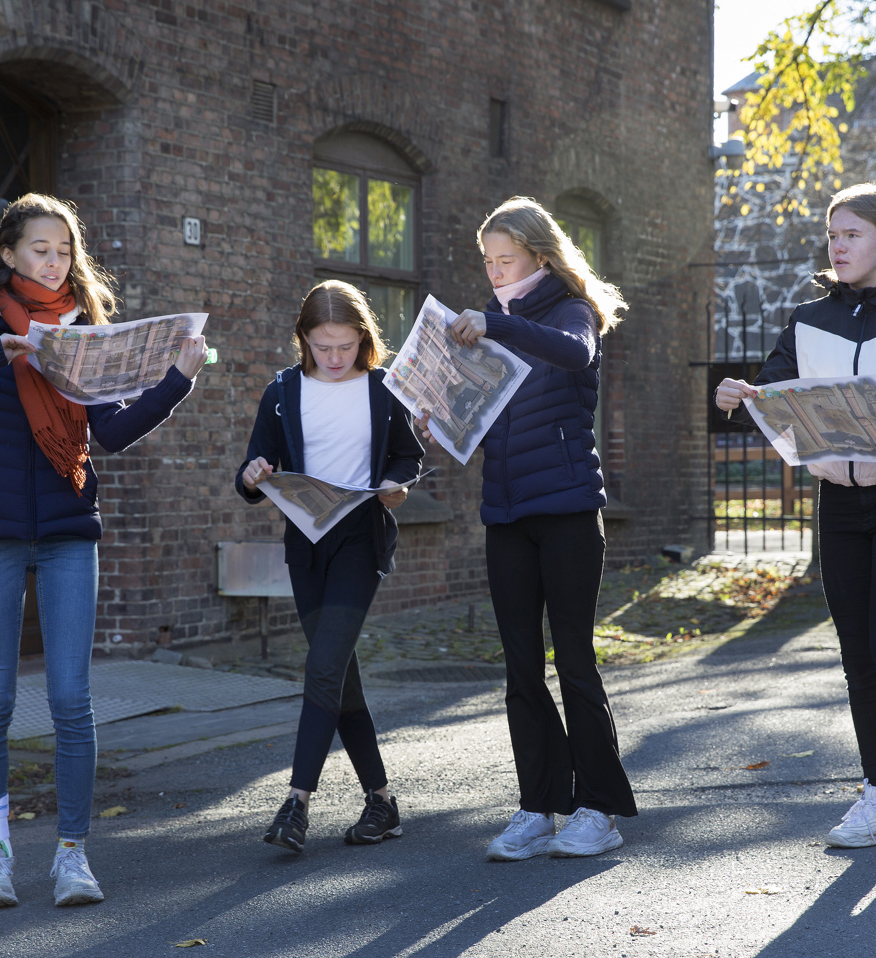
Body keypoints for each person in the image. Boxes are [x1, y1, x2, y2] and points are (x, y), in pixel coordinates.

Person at [0, 193, 207, 908]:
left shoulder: (86, 332)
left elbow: (110, 435)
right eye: (40, 250)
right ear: (8, 253)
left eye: (63, 251)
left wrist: (176, 380)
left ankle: (72, 855)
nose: (54, 263)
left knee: (70, 700)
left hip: (66, 532)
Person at [715, 183, 876, 848]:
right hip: (838, 500)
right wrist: (733, 393)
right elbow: (771, 388)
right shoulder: (810, 318)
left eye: (852, 234)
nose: (838, 246)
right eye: (832, 235)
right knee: (856, 653)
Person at [420, 196, 636, 860]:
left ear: (539, 257)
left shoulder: (571, 312)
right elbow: (497, 426)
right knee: (519, 668)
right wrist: (446, 421)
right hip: (506, 513)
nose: (494, 272)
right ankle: (538, 806)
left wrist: (496, 327)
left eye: (505, 260)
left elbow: (573, 354)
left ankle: (598, 808)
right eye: (487, 261)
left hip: (569, 509)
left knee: (573, 659)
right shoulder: (494, 325)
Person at [236, 279, 423, 854]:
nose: (335, 358)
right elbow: (253, 464)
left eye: (345, 346)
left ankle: (296, 804)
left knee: (322, 669)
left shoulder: (384, 389)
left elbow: (407, 456)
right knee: (338, 675)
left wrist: (397, 486)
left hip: (360, 543)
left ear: (363, 338)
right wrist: (253, 475)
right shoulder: (282, 391)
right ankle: (383, 803)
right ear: (304, 340)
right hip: (306, 546)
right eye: (323, 346)